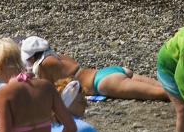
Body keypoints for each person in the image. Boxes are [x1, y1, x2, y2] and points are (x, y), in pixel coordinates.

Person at [20, 36, 168, 102]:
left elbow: (46, 89)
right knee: (164, 87)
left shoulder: (44, 64)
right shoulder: (57, 56)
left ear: (32, 56)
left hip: (101, 84)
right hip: (107, 72)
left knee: (160, 93)